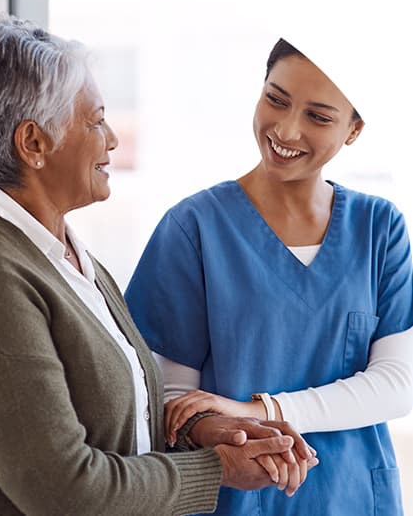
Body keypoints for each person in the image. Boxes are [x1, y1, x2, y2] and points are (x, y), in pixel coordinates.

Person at [0, 15, 319, 516]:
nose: (112, 139)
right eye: (96, 120)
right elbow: (64, 490)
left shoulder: (70, 256)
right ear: (34, 143)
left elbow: (116, 413)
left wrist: (202, 430)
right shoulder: (4, 275)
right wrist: (219, 468)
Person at [125, 37, 413, 516]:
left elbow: (398, 383)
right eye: (275, 99)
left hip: (354, 496)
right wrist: (224, 426)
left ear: (354, 129)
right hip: (235, 497)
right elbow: (172, 398)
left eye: (318, 117)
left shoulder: (379, 229)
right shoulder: (194, 228)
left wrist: (264, 410)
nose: (286, 129)